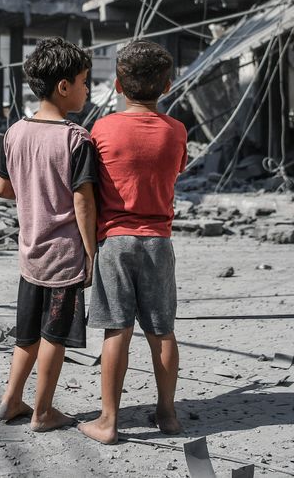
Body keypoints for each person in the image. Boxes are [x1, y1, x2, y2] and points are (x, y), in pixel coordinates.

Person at [79, 40, 188, 445]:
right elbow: (177, 170)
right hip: (158, 240)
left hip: (115, 241)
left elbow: (89, 187)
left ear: (119, 86)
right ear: (168, 85)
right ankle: (168, 414)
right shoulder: (176, 131)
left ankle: (108, 421)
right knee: (163, 331)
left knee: (116, 332)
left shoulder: (102, 128)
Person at [0, 37, 97, 432]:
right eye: (84, 82)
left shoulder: (15, 132)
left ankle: (11, 398)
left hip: (30, 254)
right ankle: (42, 411)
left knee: (27, 334)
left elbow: (2, 189)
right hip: (64, 256)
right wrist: (91, 254)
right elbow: (83, 203)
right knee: (55, 335)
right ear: (64, 86)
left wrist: (34, 186)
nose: (87, 90)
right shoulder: (77, 139)